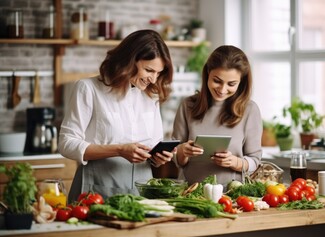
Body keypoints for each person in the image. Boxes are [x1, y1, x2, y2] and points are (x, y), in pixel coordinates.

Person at [58, 29, 174, 202]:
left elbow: (153, 145)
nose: (154, 79)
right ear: (129, 61)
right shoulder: (88, 88)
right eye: (149, 70)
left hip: (142, 190)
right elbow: (66, 144)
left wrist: (159, 158)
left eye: (159, 73)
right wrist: (119, 150)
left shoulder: (151, 96)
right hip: (96, 188)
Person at [172, 45, 262, 185]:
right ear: (208, 73)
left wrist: (235, 162)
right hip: (190, 193)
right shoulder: (187, 106)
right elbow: (176, 158)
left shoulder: (250, 110)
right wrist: (183, 151)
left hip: (232, 195)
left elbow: (255, 161)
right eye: (217, 81)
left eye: (231, 84)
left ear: (241, 82)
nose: (222, 89)